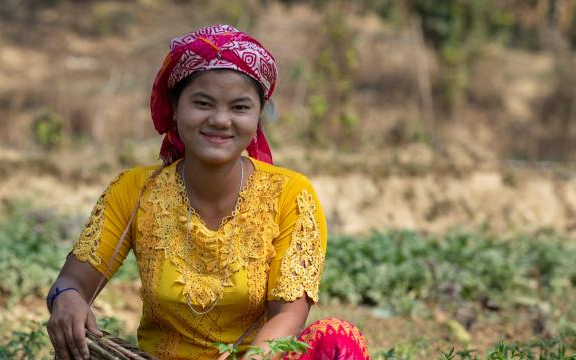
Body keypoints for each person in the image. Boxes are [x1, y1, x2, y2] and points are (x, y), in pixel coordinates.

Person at [45, 25, 369, 360]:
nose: (220, 120)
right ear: (175, 105)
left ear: (259, 115)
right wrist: (68, 298)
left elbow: (288, 314)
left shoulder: (290, 194)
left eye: (240, 108)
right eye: (203, 103)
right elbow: (72, 281)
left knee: (338, 342)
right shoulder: (135, 190)